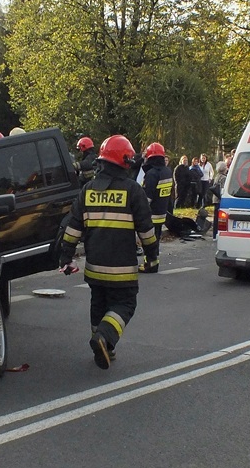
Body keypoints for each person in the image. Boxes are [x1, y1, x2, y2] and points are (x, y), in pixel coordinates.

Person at [58, 134, 157, 369]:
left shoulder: (87, 191)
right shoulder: (133, 191)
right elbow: (147, 231)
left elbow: (72, 228)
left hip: (94, 269)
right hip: (122, 270)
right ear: (125, 160)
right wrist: (153, 257)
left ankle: (103, 349)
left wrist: (65, 256)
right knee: (125, 304)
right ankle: (104, 338)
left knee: (99, 304)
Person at [138, 142, 173, 273]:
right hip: (162, 212)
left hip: (150, 214)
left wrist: (139, 210)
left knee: (148, 240)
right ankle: (153, 263)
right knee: (155, 239)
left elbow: (147, 197)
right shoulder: (167, 171)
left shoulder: (152, 174)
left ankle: (150, 265)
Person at [211, 152, 232, 239]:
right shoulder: (224, 178)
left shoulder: (217, 176)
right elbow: (223, 189)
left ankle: (214, 234)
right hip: (220, 199)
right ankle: (217, 234)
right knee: (219, 218)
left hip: (215, 198)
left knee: (216, 217)